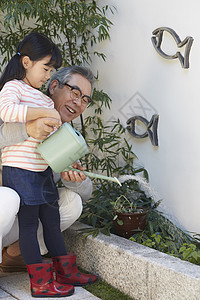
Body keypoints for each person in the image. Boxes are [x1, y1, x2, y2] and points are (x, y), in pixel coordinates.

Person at [0, 32, 97, 298]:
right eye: (46, 69)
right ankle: (40, 282)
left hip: (41, 170)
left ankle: (65, 270)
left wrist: (70, 164)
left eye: (85, 99)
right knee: (30, 225)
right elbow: (6, 112)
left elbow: (54, 142)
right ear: (27, 62)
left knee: (52, 221)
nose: (47, 74)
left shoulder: (43, 99)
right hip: (19, 173)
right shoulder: (13, 88)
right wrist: (41, 116)